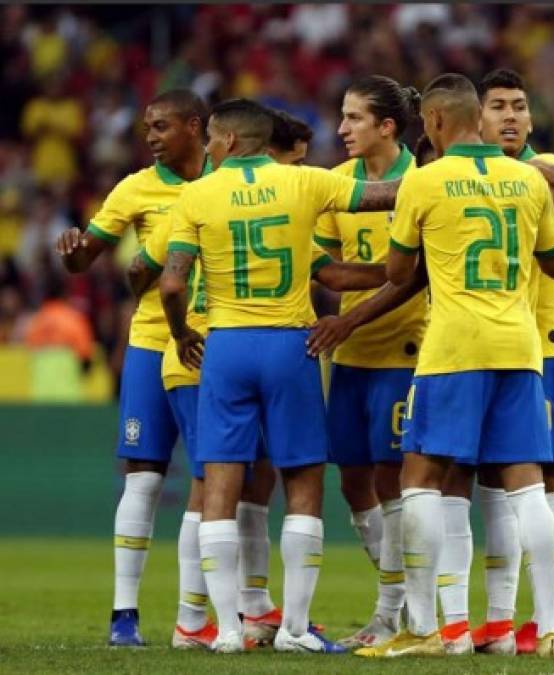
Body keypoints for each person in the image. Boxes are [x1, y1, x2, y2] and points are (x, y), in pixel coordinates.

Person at [127, 105, 387, 649]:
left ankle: (224, 628)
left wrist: (179, 335)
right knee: (303, 486)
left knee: (219, 485)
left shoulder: (197, 194)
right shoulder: (305, 181)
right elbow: (387, 196)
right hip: (290, 343)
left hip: (225, 346)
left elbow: (171, 285)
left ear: (224, 138)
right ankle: (293, 627)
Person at [354, 73, 554, 659]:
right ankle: (550, 627)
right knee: (527, 485)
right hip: (519, 346)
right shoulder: (526, 179)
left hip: (452, 349)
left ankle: (427, 628)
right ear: (480, 117)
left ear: (436, 122)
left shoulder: (424, 181)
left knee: (419, 478)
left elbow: (399, 274)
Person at [442, 68, 554, 656]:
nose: (512, 116)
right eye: (499, 107)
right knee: (503, 482)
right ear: (478, 118)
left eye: (519, 106)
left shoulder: (544, 170)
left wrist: (549, 173)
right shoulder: (472, 175)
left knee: (544, 483)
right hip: (503, 343)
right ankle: (511, 620)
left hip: (544, 342)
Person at [54, 89, 212, 647]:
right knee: (143, 477)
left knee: (210, 481)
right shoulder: (135, 187)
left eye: (162, 127)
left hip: (215, 343)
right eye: (147, 127)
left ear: (195, 127)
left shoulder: (225, 182)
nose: (150, 137)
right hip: (151, 342)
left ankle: (193, 619)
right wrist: (73, 251)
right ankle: (124, 616)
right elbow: (87, 258)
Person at [311, 76, 427, 649]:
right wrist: (395, 270)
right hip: (350, 353)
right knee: (352, 479)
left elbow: (417, 280)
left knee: (391, 476)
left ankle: (393, 611)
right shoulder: (334, 186)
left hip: (406, 350)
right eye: (342, 116)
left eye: (354, 118)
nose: (341, 129)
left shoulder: (424, 183)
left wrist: (355, 310)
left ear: (386, 127)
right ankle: (397, 598)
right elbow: (329, 272)